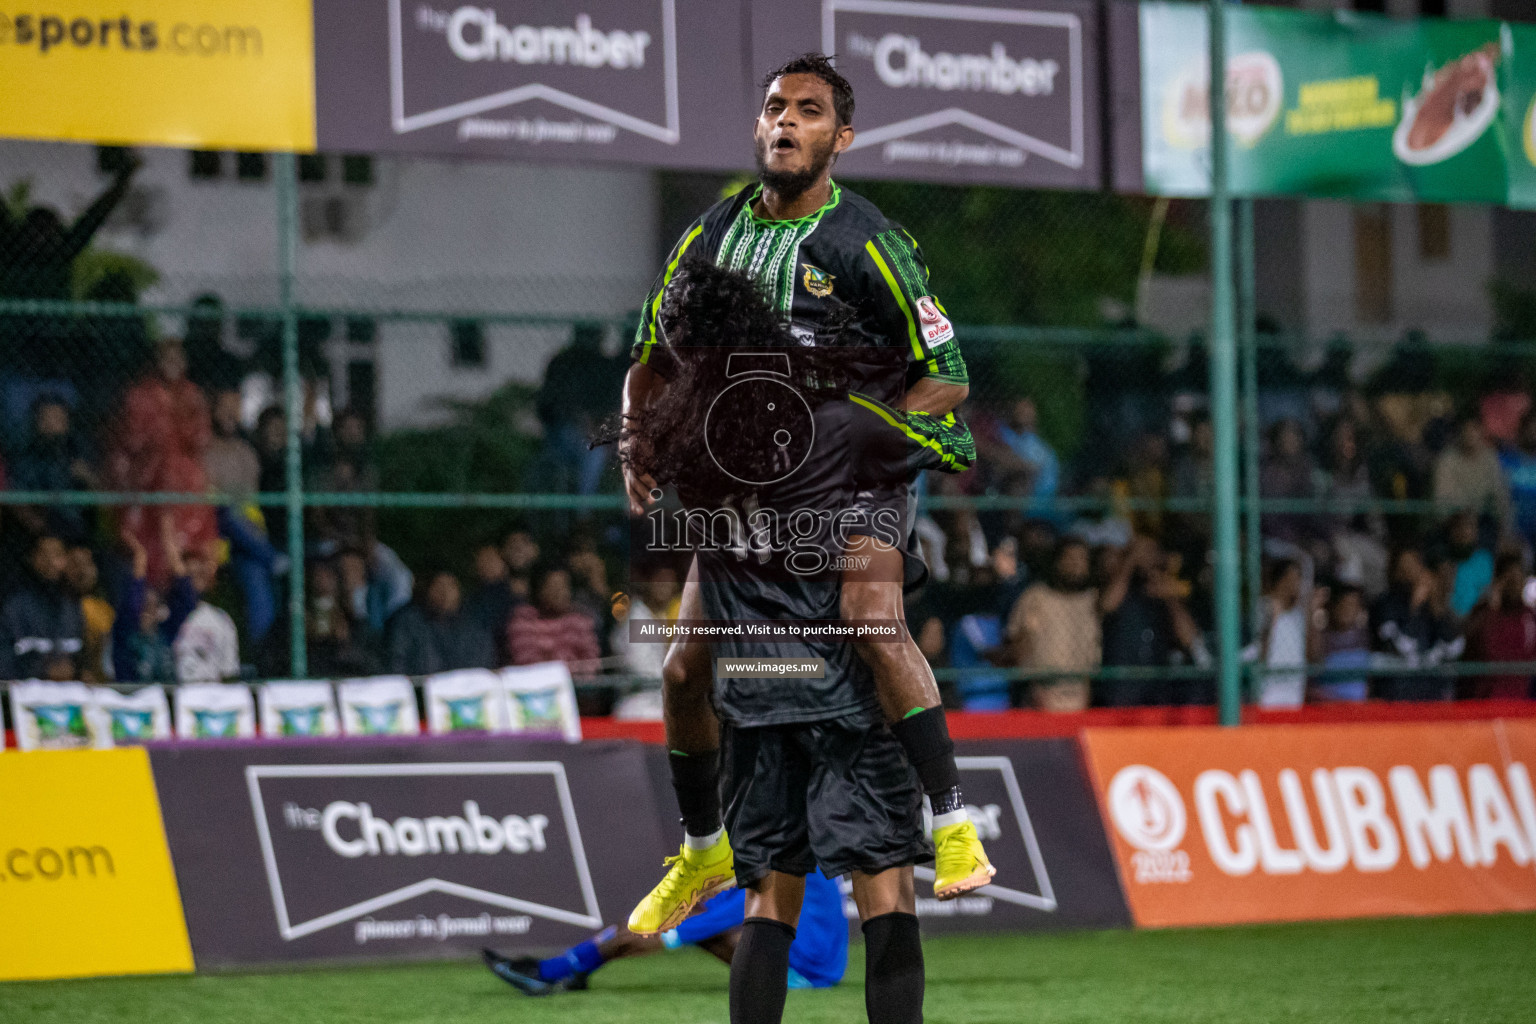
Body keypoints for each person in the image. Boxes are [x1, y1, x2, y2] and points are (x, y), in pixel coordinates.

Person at [620, 55, 990, 962]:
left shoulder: (868, 244)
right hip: (749, 491)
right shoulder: (708, 235)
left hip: (854, 481)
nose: (785, 121)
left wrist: (855, 440)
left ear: (840, 138)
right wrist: (636, 435)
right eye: (775, 108)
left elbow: (947, 376)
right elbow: (649, 354)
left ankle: (952, 825)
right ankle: (703, 853)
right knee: (679, 672)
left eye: (809, 111)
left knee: (871, 617)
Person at [482, 870, 847, 997]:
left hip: (805, 973)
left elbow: (746, 911)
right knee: (667, 915)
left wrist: (671, 930)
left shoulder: (778, 852)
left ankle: (557, 971)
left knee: (668, 924)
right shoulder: (782, 838)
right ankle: (569, 968)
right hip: (809, 959)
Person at [108, 338, 216, 588]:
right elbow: (134, 440)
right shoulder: (141, 394)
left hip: (184, 474)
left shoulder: (191, 394)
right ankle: (156, 578)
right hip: (149, 473)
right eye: (167, 358)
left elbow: (201, 439)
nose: (173, 364)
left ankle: (184, 578)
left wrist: (181, 414)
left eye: (178, 358)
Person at [1098, 536, 1201, 707]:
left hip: (1158, 687)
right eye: (1140, 552)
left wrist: (1167, 593)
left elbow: (1188, 638)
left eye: (1151, 552)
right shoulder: (1121, 590)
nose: (1145, 557)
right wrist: (1130, 561)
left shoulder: (1167, 595)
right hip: (1122, 686)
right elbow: (1107, 605)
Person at [1005, 536, 1101, 711]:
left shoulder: (1093, 600)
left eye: (1081, 559)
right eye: (1070, 558)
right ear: (1057, 561)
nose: (1076, 565)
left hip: (1081, 693)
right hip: (1043, 692)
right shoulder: (1036, 597)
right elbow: (1016, 647)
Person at [1370, 548, 1463, 701]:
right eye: (1404, 567)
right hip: (1397, 694)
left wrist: (1436, 608)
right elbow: (1403, 647)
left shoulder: (1433, 608)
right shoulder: (1385, 605)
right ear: (1394, 570)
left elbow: (1454, 647)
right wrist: (1414, 606)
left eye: (1413, 566)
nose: (1409, 572)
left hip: (1432, 693)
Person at [9, 394, 95, 543]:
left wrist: (88, 477)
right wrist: (38, 526)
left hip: (77, 527)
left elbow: (101, 491)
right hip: (39, 529)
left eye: (57, 418)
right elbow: (15, 495)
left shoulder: (79, 449)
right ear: (36, 421)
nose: (51, 424)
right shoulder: (26, 453)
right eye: (46, 418)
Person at [0, 533, 84, 681]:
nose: (50, 561)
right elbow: (5, 666)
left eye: (57, 555)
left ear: (65, 559)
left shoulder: (73, 609)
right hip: (26, 696)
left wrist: (80, 673)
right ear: (32, 558)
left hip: (69, 697)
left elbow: (83, 662)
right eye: (44, 554)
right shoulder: (14, 608)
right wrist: (42, 673)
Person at [385, 569, 497, 676]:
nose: (445, 593)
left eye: (451, 586)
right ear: (427, 589)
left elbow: (484, 668)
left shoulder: (474, 623)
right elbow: (397, 665)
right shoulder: (407, 622)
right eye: (439, 586)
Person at [1462, 552, 1536, 700]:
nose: (1514, 586)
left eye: (1518, 579)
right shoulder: (1483, 612)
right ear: (1499, 582)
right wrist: (1493, 606)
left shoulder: (1529, 616)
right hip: (1485, 702)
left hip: (1519, 703)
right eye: (1509, 580)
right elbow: (1487, 651)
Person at [505, 564, 601, 674]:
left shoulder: (580, 621)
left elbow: (591, 662)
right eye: (554, 587)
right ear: (539, 591)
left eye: (564, 587)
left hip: (578, 688)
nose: (561, 593)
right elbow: (527, 664)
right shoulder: (522, 621)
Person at [1434, 413, 1512, 538]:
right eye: (1466, 429)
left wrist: (1504, 531)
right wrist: (1464, 517)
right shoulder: (1447, 460)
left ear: (1482, 431)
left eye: (1474, 429)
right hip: (1453, 527)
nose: (1470, 434)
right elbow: (1442, 502)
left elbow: (1500, 496)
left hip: (1484, 524)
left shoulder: (1491, 459)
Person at [174, 543, 240, 683]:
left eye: (200, 573)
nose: (195, 579)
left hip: (210, 697)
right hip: (174, 693)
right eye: (189, 575)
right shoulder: (169, 615)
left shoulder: (221, 619)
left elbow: (229, 673)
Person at [1307, 584, 1371, 703]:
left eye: (1353, 605)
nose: (1347, 610)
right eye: (1344, 604)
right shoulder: (1322, 637)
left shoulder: (1365, 637)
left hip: (1357, 707)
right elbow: (1312, 662)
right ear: (1333, 606)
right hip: (1327, 706)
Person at [64, 543, 113, 683]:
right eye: (76, 564)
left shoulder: (103, 608)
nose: (83, 571)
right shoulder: (62, 607)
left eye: (88, 564)